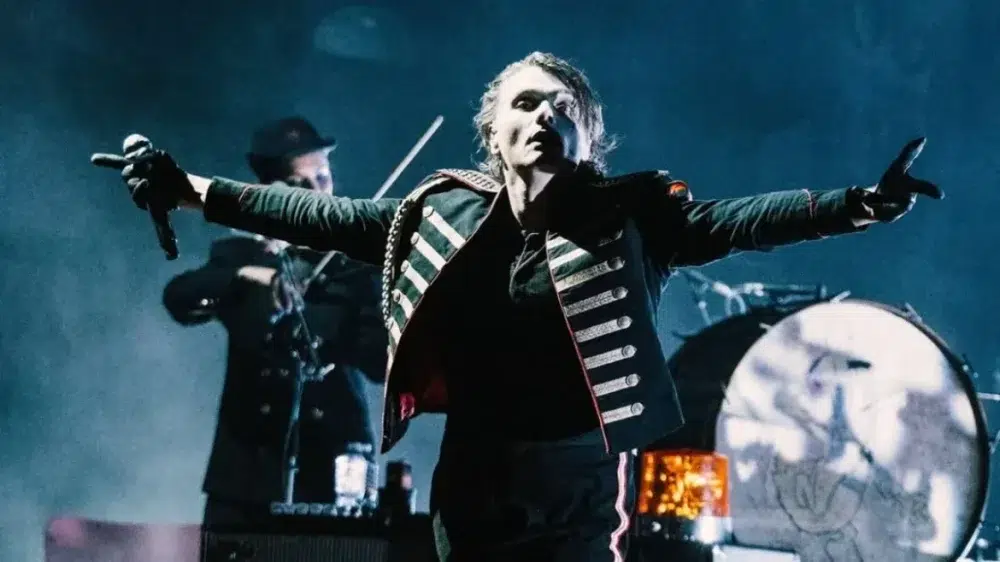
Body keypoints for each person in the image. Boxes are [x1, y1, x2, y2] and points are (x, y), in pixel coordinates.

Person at [93, 52, 942, 561]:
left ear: (589, 138)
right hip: (475, 480)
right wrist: (190, 187)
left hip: (578, 485)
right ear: (493, 132)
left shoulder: (630, 217)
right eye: (526, 103)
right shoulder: (439, 215)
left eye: (563, 107)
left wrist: (859, 204)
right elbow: (319, 216)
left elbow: (740, 219)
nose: (544, 115)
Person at [159, 117, 387, 529]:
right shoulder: (239, 255)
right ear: (270, 194)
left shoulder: (351, 265)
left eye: (323, 179)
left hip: (333, 470)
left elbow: (380, 364)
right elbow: (180, 298)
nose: (317, 195)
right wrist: (252, 275)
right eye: (300, 186)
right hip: (248, 474)